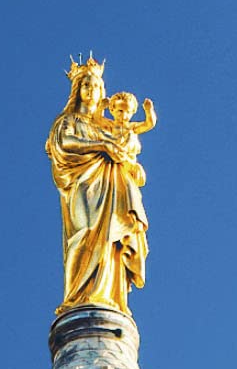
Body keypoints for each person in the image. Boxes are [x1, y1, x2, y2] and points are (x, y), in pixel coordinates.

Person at [46, 58, 156, 314]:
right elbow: (65, 144)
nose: (90, 89)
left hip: (112, 186)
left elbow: (128, 144)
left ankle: (107, 293)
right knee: (84, 232)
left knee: (110, 239)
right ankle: (75, 297)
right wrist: (102, 146)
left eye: (95, 85)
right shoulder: (68, 121)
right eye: (85, 84)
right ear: (77, 90)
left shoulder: (109, 126)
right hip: (83, 183)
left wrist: (129, 163)